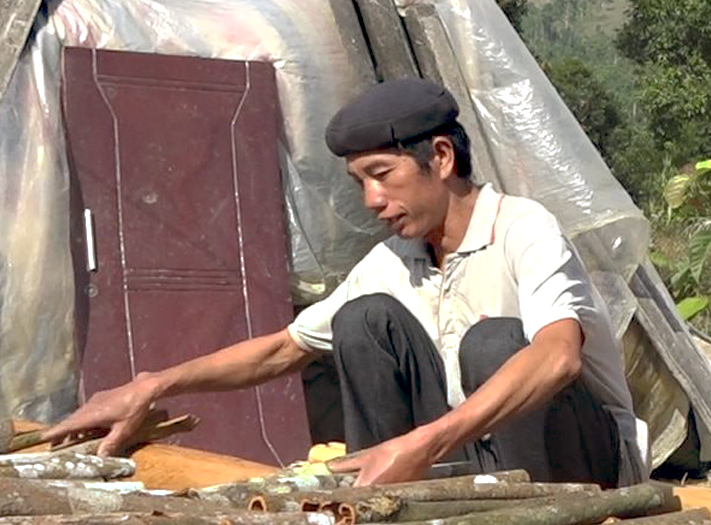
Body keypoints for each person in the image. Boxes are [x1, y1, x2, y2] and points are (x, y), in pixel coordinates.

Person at [45, 78, 647, 487]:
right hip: (468, 456)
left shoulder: (523, 226)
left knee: (493, 344)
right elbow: (285, 348)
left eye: (381, 175)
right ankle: (391, 505)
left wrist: (427, 444)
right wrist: (153, 384)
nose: (372, 201)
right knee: (365, 321)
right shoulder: (394, 258)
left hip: (577, 465)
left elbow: (558, 359)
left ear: (440, 157)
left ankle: (525, 522)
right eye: (360, 182)